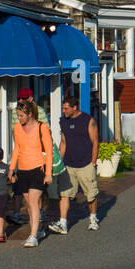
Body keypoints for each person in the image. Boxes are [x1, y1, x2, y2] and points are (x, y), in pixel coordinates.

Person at [11, 98, 54, 247]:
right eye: (18, 116)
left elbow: (49, 151)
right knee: (29, 204)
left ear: (29, 114)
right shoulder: (17, 128)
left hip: (38, 168)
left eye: (21, 115)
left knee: (34, 201)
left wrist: (48, 173)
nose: (19, 118)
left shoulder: (41, 127)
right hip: (22, 169)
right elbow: (16, 148)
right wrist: (12, 168)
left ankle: (33, 235)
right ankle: (38, 230)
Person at [59, 96, 100, 231]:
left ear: (74, 107)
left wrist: (93, 163)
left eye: (66, 108)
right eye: (62, 108)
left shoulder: (88, 120)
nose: (63, 111)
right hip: (69, 164)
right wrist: (59, 162)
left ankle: (93, 219)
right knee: (65, 194)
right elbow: (63, 142)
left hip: (85, 163)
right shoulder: (63, 121)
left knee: (91, 195)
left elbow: (95, 142)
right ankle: (63, 223)